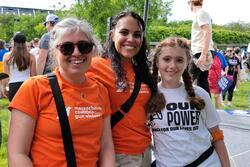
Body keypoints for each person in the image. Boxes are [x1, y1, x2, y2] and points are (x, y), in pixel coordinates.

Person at [8, 18, 115, 167]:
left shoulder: (101, 91)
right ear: (55, 51)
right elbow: (17, 154)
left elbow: (106, 147)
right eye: (67, 47)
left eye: (84, 46)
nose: (76, 53)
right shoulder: (34, 88)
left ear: (93, 50)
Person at [87, 10, 163, 167]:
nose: (131, 39)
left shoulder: (140, 69)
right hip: (117, 155)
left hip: (145, 151)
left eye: (137, 35)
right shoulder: (95, 66)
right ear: (111, 35)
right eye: (124, 32)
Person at [147, 37, 230, 167]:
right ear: (157, 61)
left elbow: (217, 136)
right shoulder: (147, 97)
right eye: (166, 59)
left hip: (207, 163)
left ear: (187, 63)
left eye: (179, 60)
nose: (173, 65)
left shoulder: (200, 94)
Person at [188, 0, 214, 96]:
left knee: (188, 80)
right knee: (202, 82)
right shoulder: (201, 14)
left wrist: (203, 55)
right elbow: (202, 34)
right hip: (202, 50)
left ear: (190, 3)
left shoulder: (200, 13)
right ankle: (207, 107)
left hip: (201, 52)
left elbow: (207, 32)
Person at [2, 32, 36, 101]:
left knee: (13, 110)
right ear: (25, 43)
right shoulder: (31, 57)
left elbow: (6, 76)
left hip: (13, 85)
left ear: (13, 42)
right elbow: (33, 75)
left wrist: (4, 87)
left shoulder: (7, 56)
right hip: (27, 85)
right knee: (28, 109)